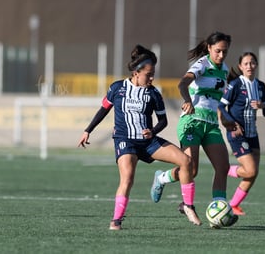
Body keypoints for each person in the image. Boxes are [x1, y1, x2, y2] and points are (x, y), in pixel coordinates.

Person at [78, 44, 201, 230]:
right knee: (127, 178)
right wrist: (88, 130)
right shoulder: (117, 88)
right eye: (148, 74)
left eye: (153, 74)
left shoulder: (153, 93)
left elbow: (163, 121)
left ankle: (188, 206)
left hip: (148, 141)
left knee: (186, 161)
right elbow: (103, 109)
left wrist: (153, 131)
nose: (152, 78)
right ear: (136, 72)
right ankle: (116, 220)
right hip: (125, 141)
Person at [150, 31, 238, 226]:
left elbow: (218, 101)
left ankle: (219, 209)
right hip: (192, 122)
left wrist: (225, 120)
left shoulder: (224, 69)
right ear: (209, 48)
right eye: (218, 51)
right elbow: (182, 84)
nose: (221, 55)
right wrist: (188, 101)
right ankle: (163, 179)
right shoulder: (202, 65)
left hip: (211, 125)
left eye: (224, 52)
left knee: (222, 167)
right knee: (191, 168)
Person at [217, 52, 265, 216]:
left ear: (256, 65)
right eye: (246, 63)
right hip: (237, 132)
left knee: (254, 173)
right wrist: (232, 125)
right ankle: (225, 169)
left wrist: (262, 106)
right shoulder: (235, 84)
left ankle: (234, 205)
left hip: (252, 134)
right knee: (250, 170)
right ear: (240, 66)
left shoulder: (260, 86)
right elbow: (220, 107)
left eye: (252, 63)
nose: (249, 66)